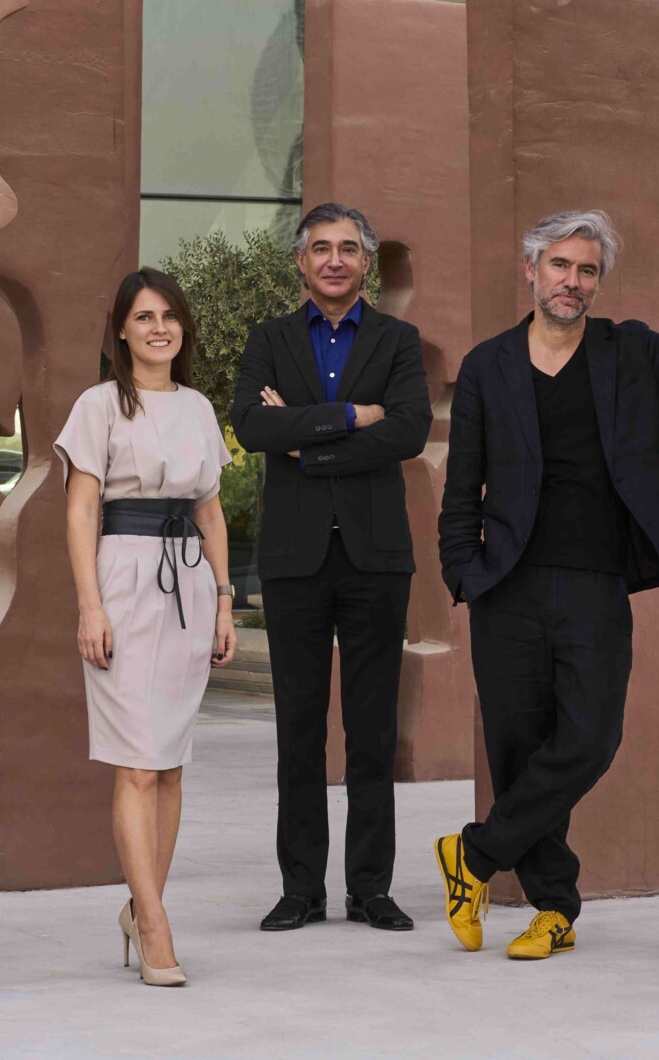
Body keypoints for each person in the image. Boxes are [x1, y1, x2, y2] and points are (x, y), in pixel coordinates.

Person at [433, 209, 659, 960]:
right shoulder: (490, 365)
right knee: (518, 749)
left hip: (596, 582)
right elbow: (463, 485)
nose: (572, 281)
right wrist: (463, 574)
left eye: (586, 270)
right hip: (506, 584)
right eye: (559, 266)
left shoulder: (632, 351)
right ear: (531, 271)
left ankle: (474, 855)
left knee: (590, 737)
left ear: (597, 281)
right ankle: (555, 908)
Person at [230, 203, 431, 933]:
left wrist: (305, 440)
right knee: (300, 731)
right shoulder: (269, 339)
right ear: (301, 262)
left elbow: (408, 429)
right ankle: (301, 890)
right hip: (294, 561)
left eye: (349, 248)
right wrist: (352, 417)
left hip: (377, 560)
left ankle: (370, 889)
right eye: (322, 248)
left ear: (366, 261)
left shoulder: (399, 340)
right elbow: (252, 425)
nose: (335, 260)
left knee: (373, 732)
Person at [55, 268, 237, 987]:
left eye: (169, 316)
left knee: (168, 764)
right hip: (124, 581)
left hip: (188, 585)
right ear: (122, 330)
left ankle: (141, 905)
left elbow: (212, 512)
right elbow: (79, 511)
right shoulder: (98, 406)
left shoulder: (196, 406)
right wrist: (89, 605)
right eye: (144, 316)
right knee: (135, 762)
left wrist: (225, 601)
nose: (159, 327)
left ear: (181, 328)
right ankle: (155, 924)